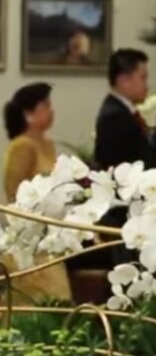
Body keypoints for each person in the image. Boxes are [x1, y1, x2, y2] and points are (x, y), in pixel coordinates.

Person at [2, 83, 73, 303]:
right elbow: (15, 192)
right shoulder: (21, 146)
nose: (51, 111)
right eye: (45, 106)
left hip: (52, 232)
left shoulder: (47, 144)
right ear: (28, 114)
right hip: (31, 236)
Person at [93, 48, 153, 169]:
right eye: (143, 78)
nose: (147, 85)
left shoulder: (120, 111)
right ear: (123, 81)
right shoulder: (115, 118)